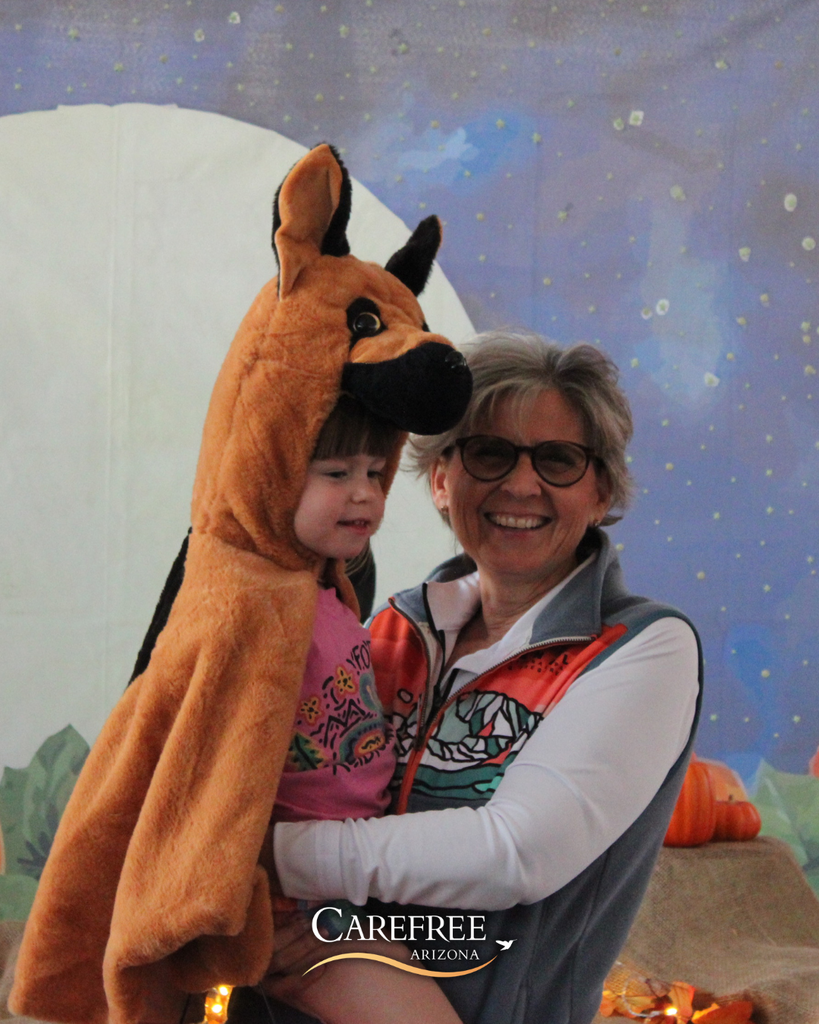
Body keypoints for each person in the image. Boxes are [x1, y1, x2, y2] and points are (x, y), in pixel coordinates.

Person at [261, 332, 702, 1024]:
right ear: (440, 479)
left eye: (558, 460)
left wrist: (262, 856)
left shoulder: (643, 649)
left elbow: (514, 853)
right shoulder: (382, 631)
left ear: (602, 491)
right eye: (488, 453)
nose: (521, 485)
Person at [262, 392, 464, 1024]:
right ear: (268, 476)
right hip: (287, 914)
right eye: (335, 473)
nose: (364, 495)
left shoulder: (333, 591)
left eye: (374, 473)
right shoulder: (258, 610)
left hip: (341, 891)